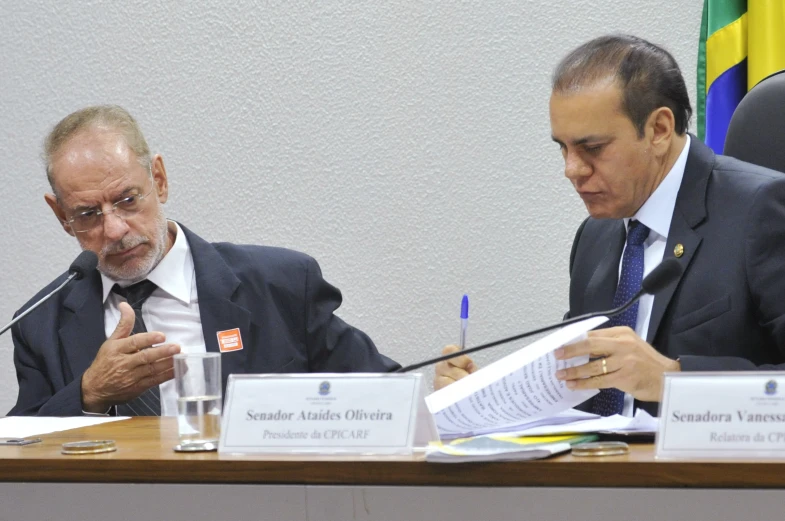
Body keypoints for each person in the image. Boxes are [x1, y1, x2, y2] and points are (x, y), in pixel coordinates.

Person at [435, 34, 785, 416]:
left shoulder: (761, 210)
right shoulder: (596, 236)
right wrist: (484, 399)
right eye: (563, 148)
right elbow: (579, 386)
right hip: (604, 472)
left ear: (659, 130)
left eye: (593, 148)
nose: (571, 170)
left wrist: (673, 379)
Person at [9, 105, 398, 416]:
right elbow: (19, 449)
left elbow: (384, 395)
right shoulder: (38, 323)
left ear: (158, 180)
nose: (113, 229)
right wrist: (89, 393)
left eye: (127, 200)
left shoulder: (282, 285)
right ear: (62, 216)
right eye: (87, 214)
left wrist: (452, 399)